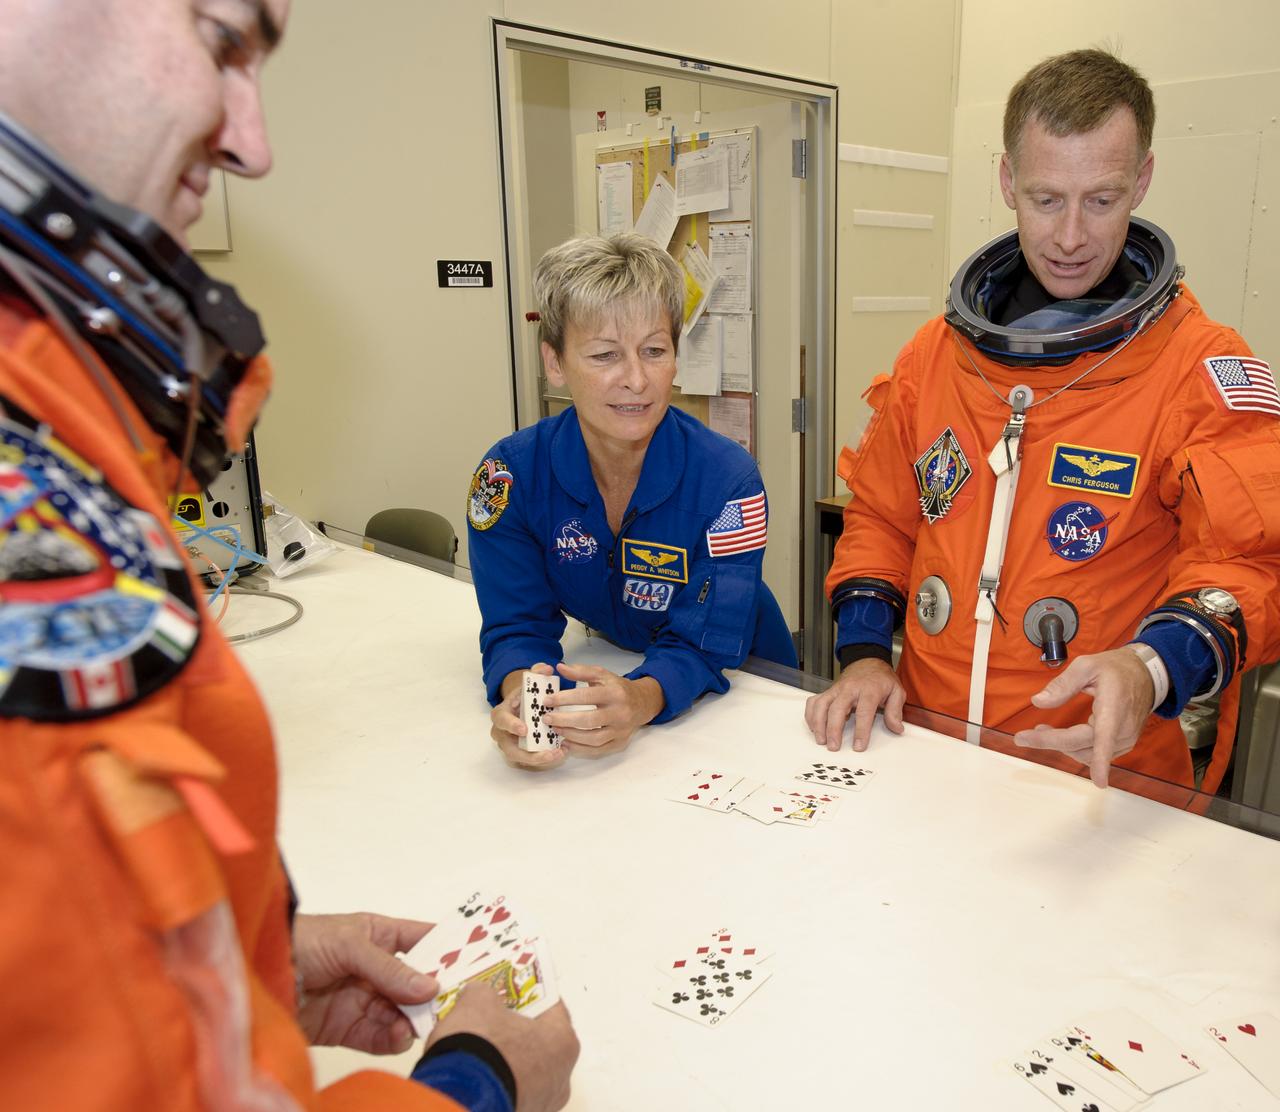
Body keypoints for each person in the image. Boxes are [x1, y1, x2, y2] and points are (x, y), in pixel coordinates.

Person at [0, 3, 577, 1110]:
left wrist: (255, 956)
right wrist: (473, 1083)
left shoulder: (53, 402)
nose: (253, 143)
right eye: (224, 42)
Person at [805, 48, 1280, 792]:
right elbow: (881, 519)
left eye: (1102, 199)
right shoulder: (934, 358)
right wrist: (865, 653)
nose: (1069, 237)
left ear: (1143, 182)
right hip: (928, 757)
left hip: (1097, 776)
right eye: (1046, 198)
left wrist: (1153, 666)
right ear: (1006, 181)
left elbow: (1249, 562)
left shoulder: (1198, 368)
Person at [470, 233, 796, 771]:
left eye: (654, 350)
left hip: (744, 685)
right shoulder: (511, 477)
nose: (637, 380)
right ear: (554, 363)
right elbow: (519, 626)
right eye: (604, 355)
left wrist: (641, 699)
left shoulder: (729, 480)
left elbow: (707, 642)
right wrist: (527, 705)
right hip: (619, 662)